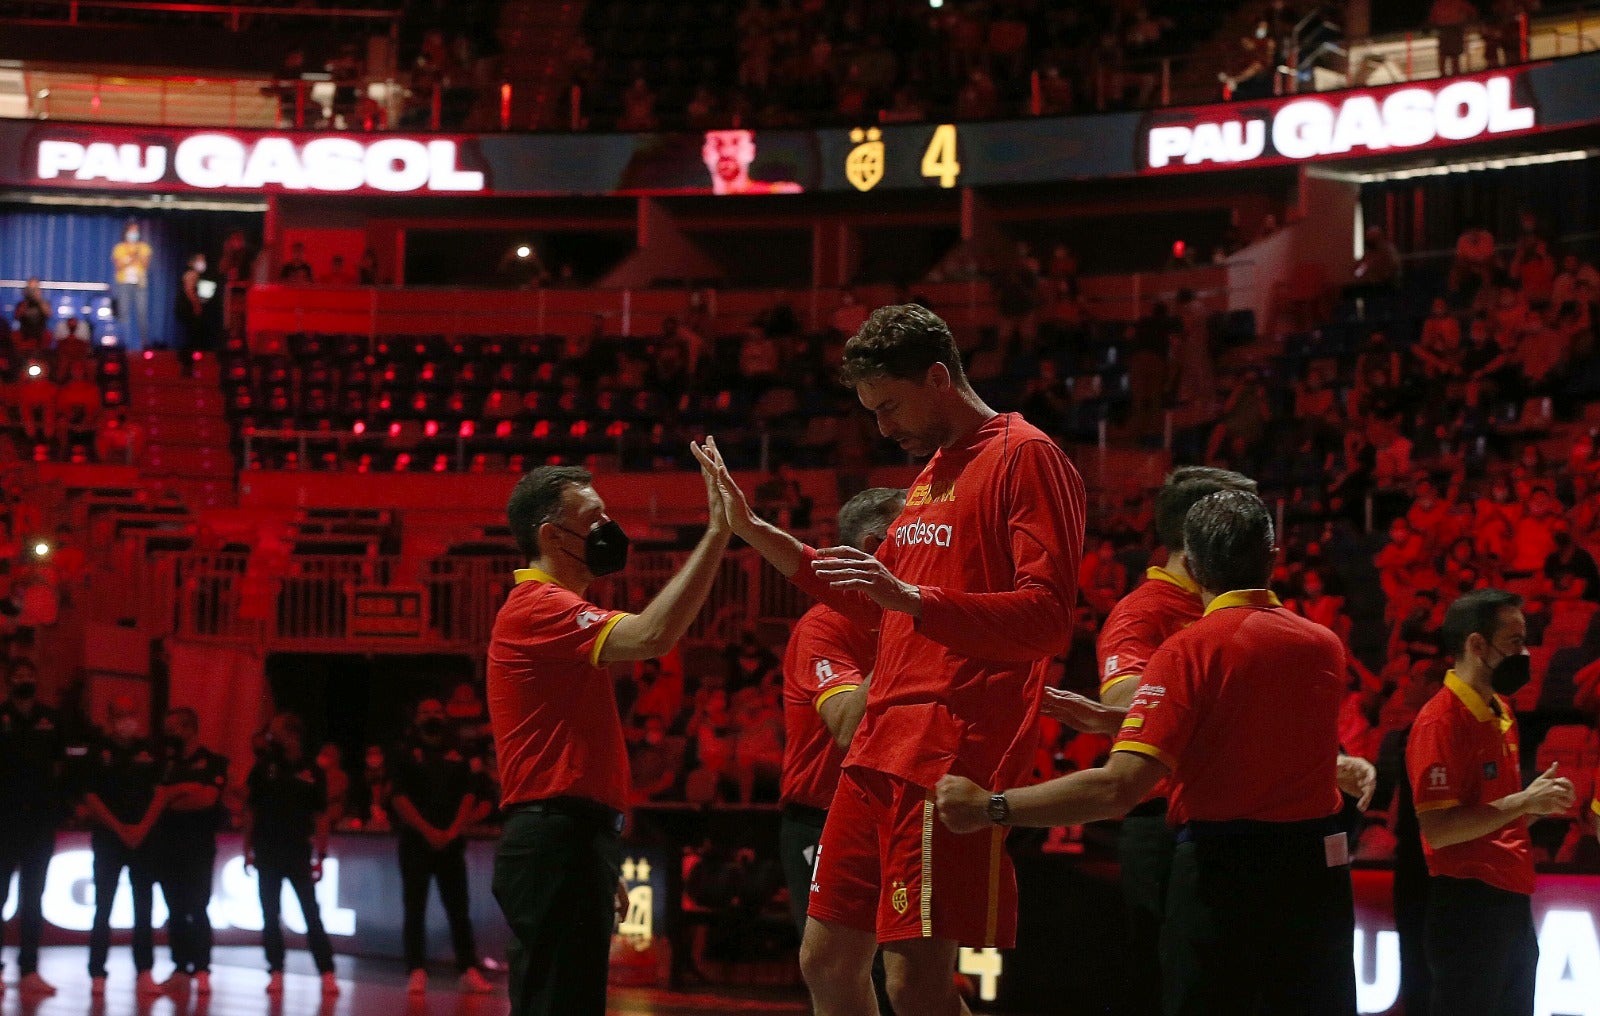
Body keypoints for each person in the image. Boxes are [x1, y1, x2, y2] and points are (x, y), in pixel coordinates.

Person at [693, 301, 1086, 1016]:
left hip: (945, 753)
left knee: (914, 983)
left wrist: (913, 598)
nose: (883, 428)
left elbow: (1049, 620)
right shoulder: (934, 471)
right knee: (825, 960)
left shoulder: (1025, 457)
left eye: (890, 407)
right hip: (877, 748)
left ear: (939, 377)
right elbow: (874, 598)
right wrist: (750, 528)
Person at [936, 490, 1359, 1016]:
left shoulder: (1189, 648)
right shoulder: (1322, 645)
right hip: (1315, 877)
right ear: (1271, 557)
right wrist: (1117, 718)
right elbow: (1237, 728)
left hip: (1223, 875)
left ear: (1191, 562)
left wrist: (988, 806)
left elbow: (1118, 789)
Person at [489, 462, 731, 1016]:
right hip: (555, 841)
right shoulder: (538, 608)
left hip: (572, 842)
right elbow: (653, 635)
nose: (609, 528)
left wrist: (601, 857)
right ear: (551, 535)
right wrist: (717, 533)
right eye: (594, 518)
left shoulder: (557, 612)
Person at [1037, 467, 1256, 1016]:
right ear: (1199, 536)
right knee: (1168, 986)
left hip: (1229, 817)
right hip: (1162, 825)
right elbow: (1128, 709)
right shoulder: (1145, 612)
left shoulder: (1232, 607)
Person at [1406, 589, 1575, 1016]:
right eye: (1515, 642)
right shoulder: (1440, 721)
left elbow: (1493, 815)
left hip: (1512, 902)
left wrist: (1538, 807)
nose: (1525, 652)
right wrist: (1523, 801)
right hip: (1466, 906)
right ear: (1477, 645)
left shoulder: (1501, 710)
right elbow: (1440, 830)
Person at [778, 486, 904, 930]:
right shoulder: (824, 627)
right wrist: (903, 637)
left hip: (898, 818)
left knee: (908, 977)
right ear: (876, 546)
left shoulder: (922, 613)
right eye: (917, 531)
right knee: (844, 974)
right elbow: (848, 727)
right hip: (822, 822)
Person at [390, 698, 492, 994]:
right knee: (415, 907)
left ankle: (468, 968)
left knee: (459, 908)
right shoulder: (404, 752)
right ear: (416, 718)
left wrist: (452, 831)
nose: (432, 716)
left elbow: (471, 795)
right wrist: (427, 831)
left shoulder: (460, 752)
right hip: (415, 843)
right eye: (425, 712)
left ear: (445, 717)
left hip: (451, 843)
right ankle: (416, 969)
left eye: (437, 711)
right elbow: (398, 797)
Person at [245, 712, 339, 997]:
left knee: (311, 912)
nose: (271, 736)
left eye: (276, 731)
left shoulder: (312, 771)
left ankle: (327, 972)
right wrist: (247, 847)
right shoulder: (264, 768)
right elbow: (252, 809)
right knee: (270, 914)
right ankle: (275, 970)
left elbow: (321, 814)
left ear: (291, 734)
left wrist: (321, 854)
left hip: (298, 851)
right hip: (267, 850)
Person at [82, 696, 164, 997]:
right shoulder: (97, 752)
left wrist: (142, 828)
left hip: (144, 839)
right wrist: (119, 829)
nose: (127, 720)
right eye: (121, 714)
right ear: (110, 717)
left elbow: (160, 793)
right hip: (108, 839)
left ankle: (144, 971)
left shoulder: (151, 752)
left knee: (144, 906)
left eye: (132, 713)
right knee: (103, 905)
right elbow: (90, 797)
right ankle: (97, 973)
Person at [149, 707, 227, 998]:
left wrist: (174, 795)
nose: (170, 734)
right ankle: (180, 967)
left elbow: (207, 798)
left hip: (199, 846)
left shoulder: (214, 762)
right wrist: (181, 792)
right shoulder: (163, 764)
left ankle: (203, 969)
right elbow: (158, 800)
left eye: (175, 727)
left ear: (191, 728)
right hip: (167, 846)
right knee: (175, 909)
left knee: (198, 907)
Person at [0, 660, 65, 997]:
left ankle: (29, 969)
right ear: (9, 681)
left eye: (29, 674)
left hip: (39, 822)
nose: (24, 679)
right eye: (17, 675)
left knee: (33, 897)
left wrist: (58, 807)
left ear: (37, 680)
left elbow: (63, 765)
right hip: (4, 821)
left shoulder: (50, 719)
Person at [111, 220, 152, 350]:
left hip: (139, 283)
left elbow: (145, 265)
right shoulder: (119, 248)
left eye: (136, 231)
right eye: (131, 231)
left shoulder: (144, 247)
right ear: (126, 232)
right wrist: (131, 259)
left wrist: (135, 256)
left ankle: (145, 343)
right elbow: (118, 266)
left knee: (142, 313)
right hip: (124, 283)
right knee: (123, 313)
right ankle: (122, 342)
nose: (134, 233)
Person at [174, 253, 208, 369]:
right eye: (199, 260)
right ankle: (186, 358)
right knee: (190, 333)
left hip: (187, 307)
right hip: (186, 308)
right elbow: (189, 290)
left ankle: (187, 357)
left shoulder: (196, 275)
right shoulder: (191, 274)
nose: (202, 263)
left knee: (191, 334)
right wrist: (196, 305)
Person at [14, 278, 51, 352]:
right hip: (25, 334)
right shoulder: (22, 304)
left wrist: (38, 299)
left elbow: (48, 314)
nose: (33, 292)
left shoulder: (44, 303)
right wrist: (27, 299)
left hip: (40, 334)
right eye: (31, 289)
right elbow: (17, 316)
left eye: (35, 289)